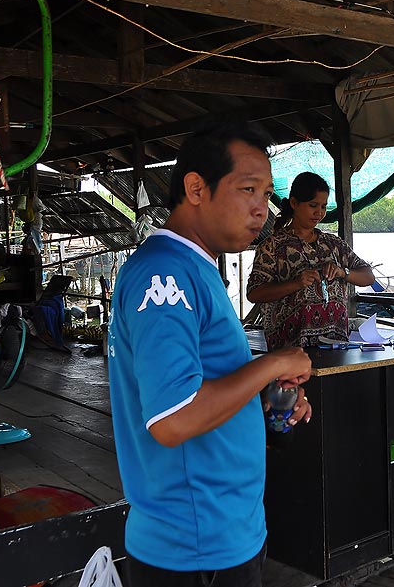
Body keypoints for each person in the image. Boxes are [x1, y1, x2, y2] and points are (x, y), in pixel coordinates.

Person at [107, 122, 313, 587]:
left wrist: (262, 399)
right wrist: (273, 363)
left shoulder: (194, 270)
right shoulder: (165, 276)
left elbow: (204, 390)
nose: (263, 207)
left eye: (267, 192)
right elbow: (173, 419)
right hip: (193, 547)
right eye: (248, 189)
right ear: (196, 188)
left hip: (224, 531)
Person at [247, 172, 375, 349]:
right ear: (294, 203)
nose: (320, 213)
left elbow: (368, 277)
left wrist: (342, 272)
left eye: (323, 207)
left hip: (336, 345)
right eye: (313, 205)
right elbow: (255, 293)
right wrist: (296, 283)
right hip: (289, 350)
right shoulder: (272, 246)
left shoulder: (334, 244)